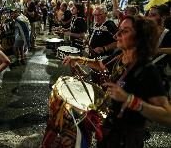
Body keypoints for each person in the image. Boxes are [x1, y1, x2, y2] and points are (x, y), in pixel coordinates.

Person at [63, 15, 171, 148]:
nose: (116, 35)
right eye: (119, 29)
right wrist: (78, 59)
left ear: (139, 37)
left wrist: (130, 100)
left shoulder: (146, 70)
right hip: (109, 132)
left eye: (125, 31)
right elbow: (100, 64)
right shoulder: (121, 56)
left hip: (127, 139)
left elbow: (167, 116)